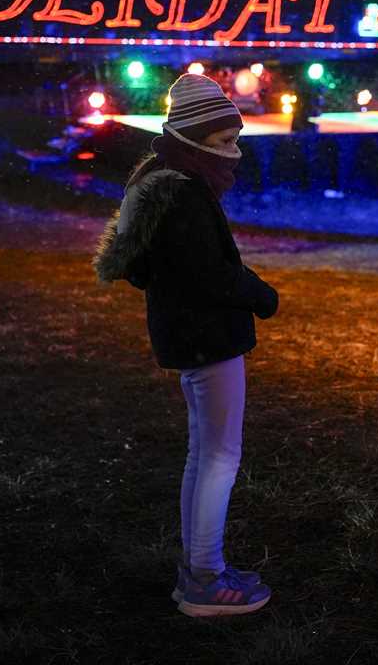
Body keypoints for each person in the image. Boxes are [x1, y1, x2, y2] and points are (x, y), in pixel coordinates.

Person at [94, 73, 278, 618]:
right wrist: (261, 295)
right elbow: (210, 274)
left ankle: (201, 566)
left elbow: (150, 268)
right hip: (207, 338)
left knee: (206, 453)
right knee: (220, 456)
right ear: (195, 138)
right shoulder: (184, 195)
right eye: (224, 140)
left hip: (190, 336)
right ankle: (206, 578)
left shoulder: (161, 182)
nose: (234, 152)